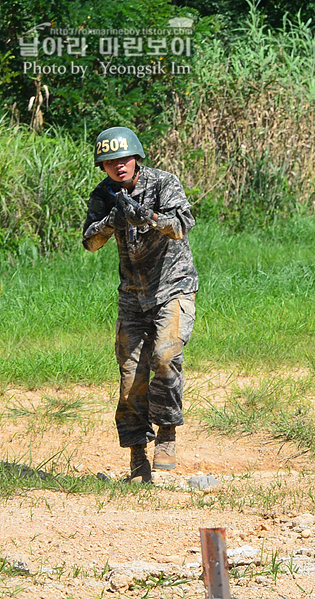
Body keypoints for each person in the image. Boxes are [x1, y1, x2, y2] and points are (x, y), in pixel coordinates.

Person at [82, 127, 199, 483]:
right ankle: (137, 458)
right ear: (103, 166)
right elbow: (89, 241)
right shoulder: (104, 195)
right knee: (131, 377)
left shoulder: (164, 182)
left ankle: (167, 433)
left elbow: (182, 224)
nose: (119, 167)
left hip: (173, 287)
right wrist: (112, 221)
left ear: (137, 157)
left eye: (124, 159)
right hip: (133, 296)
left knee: (165, 356)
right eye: (111, 162)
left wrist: (149, 218)